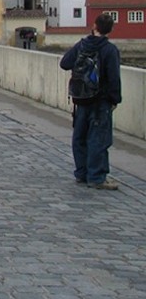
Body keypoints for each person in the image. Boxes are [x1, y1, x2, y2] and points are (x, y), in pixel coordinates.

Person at [59, 13, 122, 190]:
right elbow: (113, 78)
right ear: (110, 30)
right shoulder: (109, 50)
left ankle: (81, 173)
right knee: (98, 138)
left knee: (80, 136)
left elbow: (65, 63)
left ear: (94, 26)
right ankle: (97, 177)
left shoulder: (82, 44)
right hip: (100, 100)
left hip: (81, 98)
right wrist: (115, 99)